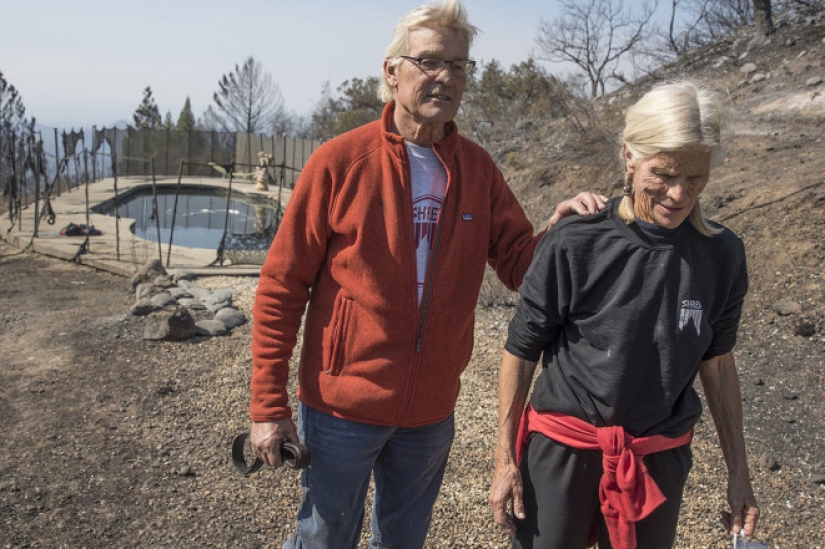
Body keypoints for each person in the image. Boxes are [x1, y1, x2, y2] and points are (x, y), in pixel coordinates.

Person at [248, 1, 607, 547]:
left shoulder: (478, 170)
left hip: (431, 414)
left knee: (404, 540)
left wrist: (560, 233)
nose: (446, 77)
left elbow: (520, 267)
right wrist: (268, 406)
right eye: (431, 61)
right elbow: (280, 286)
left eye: (459, 66)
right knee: (324, 538)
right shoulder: (339, 162)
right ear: (392, 71)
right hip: (341, 405)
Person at [489, 80, 761, 549]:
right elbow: (522, 348)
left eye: (696, 177)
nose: (679, 194)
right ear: (629, 156)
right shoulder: (577, 239)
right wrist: (504, 459)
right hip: (563, 449)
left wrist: (740, 472)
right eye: (664, 173)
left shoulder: (722, 254)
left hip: (656, 457)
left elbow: (717, 363)